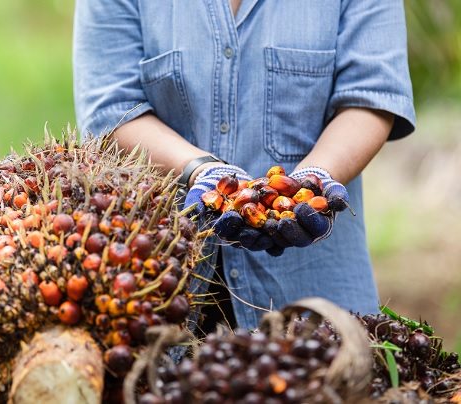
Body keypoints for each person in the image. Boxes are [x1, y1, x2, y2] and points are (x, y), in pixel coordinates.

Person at [72, 0, 416, 331]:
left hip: (313, 291)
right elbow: (112, 108)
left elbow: (371, 96)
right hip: (162, 284)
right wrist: (199, 169)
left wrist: (313, 180)